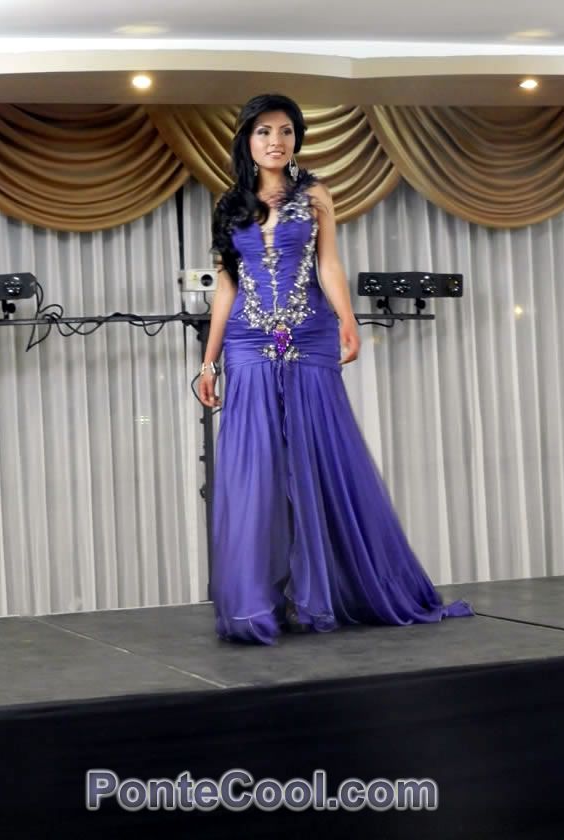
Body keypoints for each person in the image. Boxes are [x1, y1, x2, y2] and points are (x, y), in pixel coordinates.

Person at [200, 93, 473, 645]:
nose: (276, 141)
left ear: (296, 139)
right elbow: (226, 287)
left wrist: (348, 319)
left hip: (309, 334)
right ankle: (254, 605)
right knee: (255, 469)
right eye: (264, 131)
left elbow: (328, 263)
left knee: (318, 457)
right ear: (247, 140)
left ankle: (324, 594)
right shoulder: (228, 205)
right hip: (248, 341)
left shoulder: (315, 194)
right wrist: (208, 361)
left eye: (285, 131)